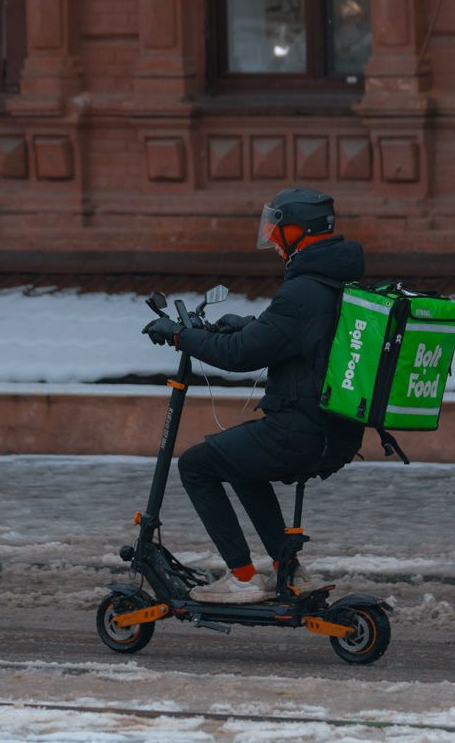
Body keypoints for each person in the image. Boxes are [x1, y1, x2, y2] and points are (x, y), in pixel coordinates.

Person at [142, 188, 365, 604]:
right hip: (336, 432)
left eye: (277, 227)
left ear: (299, 230)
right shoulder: (338, 283)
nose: (272, 235)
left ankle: (242, 577)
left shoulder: (303, 291)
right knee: (241, 464)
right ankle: (289, 569)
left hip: (299, 431)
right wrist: (246, 323)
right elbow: (295, 339)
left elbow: (240, 355)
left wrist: (178, 335)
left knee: (196, 465)